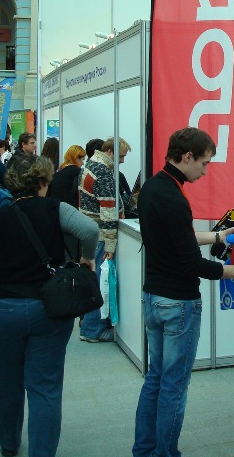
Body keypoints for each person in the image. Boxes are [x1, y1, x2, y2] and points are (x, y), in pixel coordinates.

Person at [132, 127, 234, 457]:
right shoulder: (175, 199)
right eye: (204, 163)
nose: (205, 172)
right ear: (187, 156)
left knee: (156, 378)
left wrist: (219, 236)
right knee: (174, 385)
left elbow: (175, 238)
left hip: (153, 298)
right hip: (178, 303)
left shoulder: (152, 188)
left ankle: (145, 451)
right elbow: (193, 264)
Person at [0, 155, 99, 457]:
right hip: (48, 310)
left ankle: (9, 442)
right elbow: (90, 230)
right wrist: (86, 258)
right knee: (45, 387)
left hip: (1, 311)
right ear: (43, 181)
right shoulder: (57, 209)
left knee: (7, 383)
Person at [78, 136, 130, 343]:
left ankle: (88, 325)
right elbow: (108, 212)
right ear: (110, 152)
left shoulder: (91, 164)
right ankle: (93, 330)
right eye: (121, 156)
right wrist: (111, 244)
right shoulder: (104, 172)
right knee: (101, 283)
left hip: (90, 231)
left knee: (93, 281)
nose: (122, 161)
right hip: (100, 234)